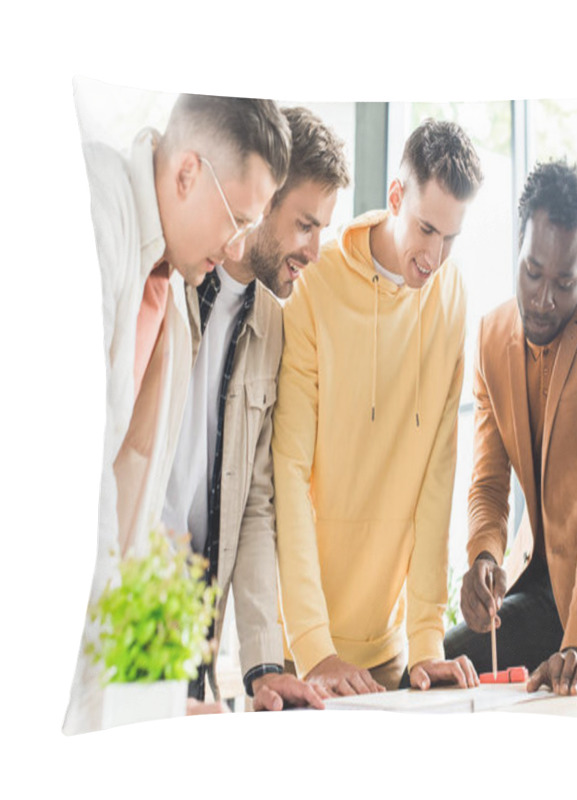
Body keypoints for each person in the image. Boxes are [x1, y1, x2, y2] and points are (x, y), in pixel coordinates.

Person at [64, 91, 291, 734]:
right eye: (238, 218)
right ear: (188, 172)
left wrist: (146, 704)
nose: (241, 242)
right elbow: (77, 474)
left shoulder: (175, 296)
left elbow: (131, 515)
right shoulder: (95, 205)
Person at [273, 119, 484, 696]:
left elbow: (437, 477)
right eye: (426, 229)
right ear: (396, 198)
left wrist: (426, 643)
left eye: (450, 238)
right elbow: (288, 470)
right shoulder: (316, 284)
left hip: (389, 654)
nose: (434, 256)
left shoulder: (451, 296)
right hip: (300, 652)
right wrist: (313, 648)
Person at [163, 106, 350, 712]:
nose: (315, 250)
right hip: (134, 601)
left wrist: (264, 666)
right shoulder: (173, 276)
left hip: (195, 634)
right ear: (262, 201)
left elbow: (256, 503)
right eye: (304, 225)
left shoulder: (274, 322)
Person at [444, 160, 577, 696]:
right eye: (532, 272)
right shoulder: (490, 337)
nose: (542, 298)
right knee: (439, 664)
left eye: (564, 282)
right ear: (518, 245)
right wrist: (483, 556)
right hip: (532, 586)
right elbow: (489, 481)